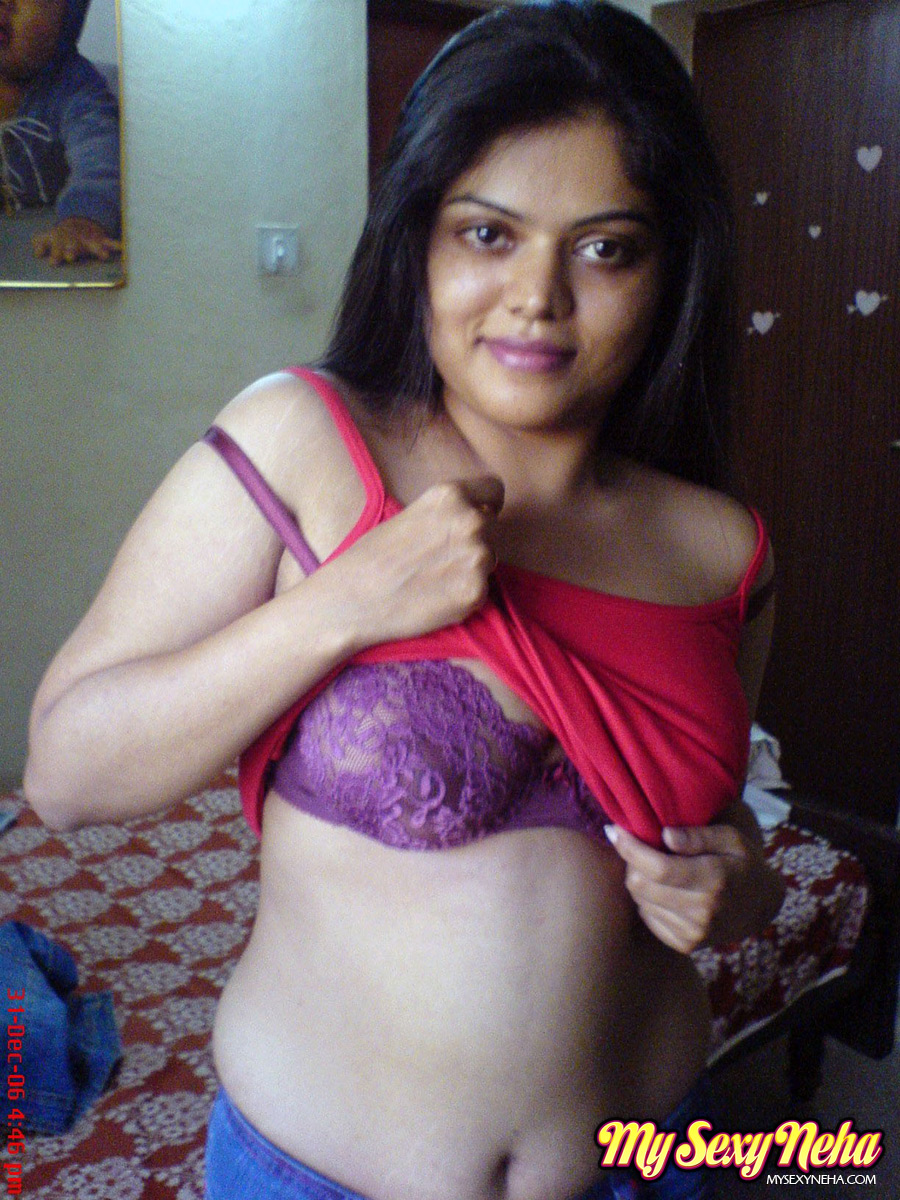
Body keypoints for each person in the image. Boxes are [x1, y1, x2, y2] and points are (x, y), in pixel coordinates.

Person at [24, 2, 784, 1197]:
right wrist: (343, 606)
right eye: (488, 234)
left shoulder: (722, 548)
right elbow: (66, 774)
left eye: (604, 249)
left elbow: (721, 830)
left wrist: (743, 889)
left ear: (670, 269)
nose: (537, 296)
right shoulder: (301, 442)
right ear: (417, 240)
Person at [0, 0, 121, 264]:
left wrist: (83, 218)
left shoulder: (78, 91)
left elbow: (102, 159)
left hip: (43, 245)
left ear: (68, 23)